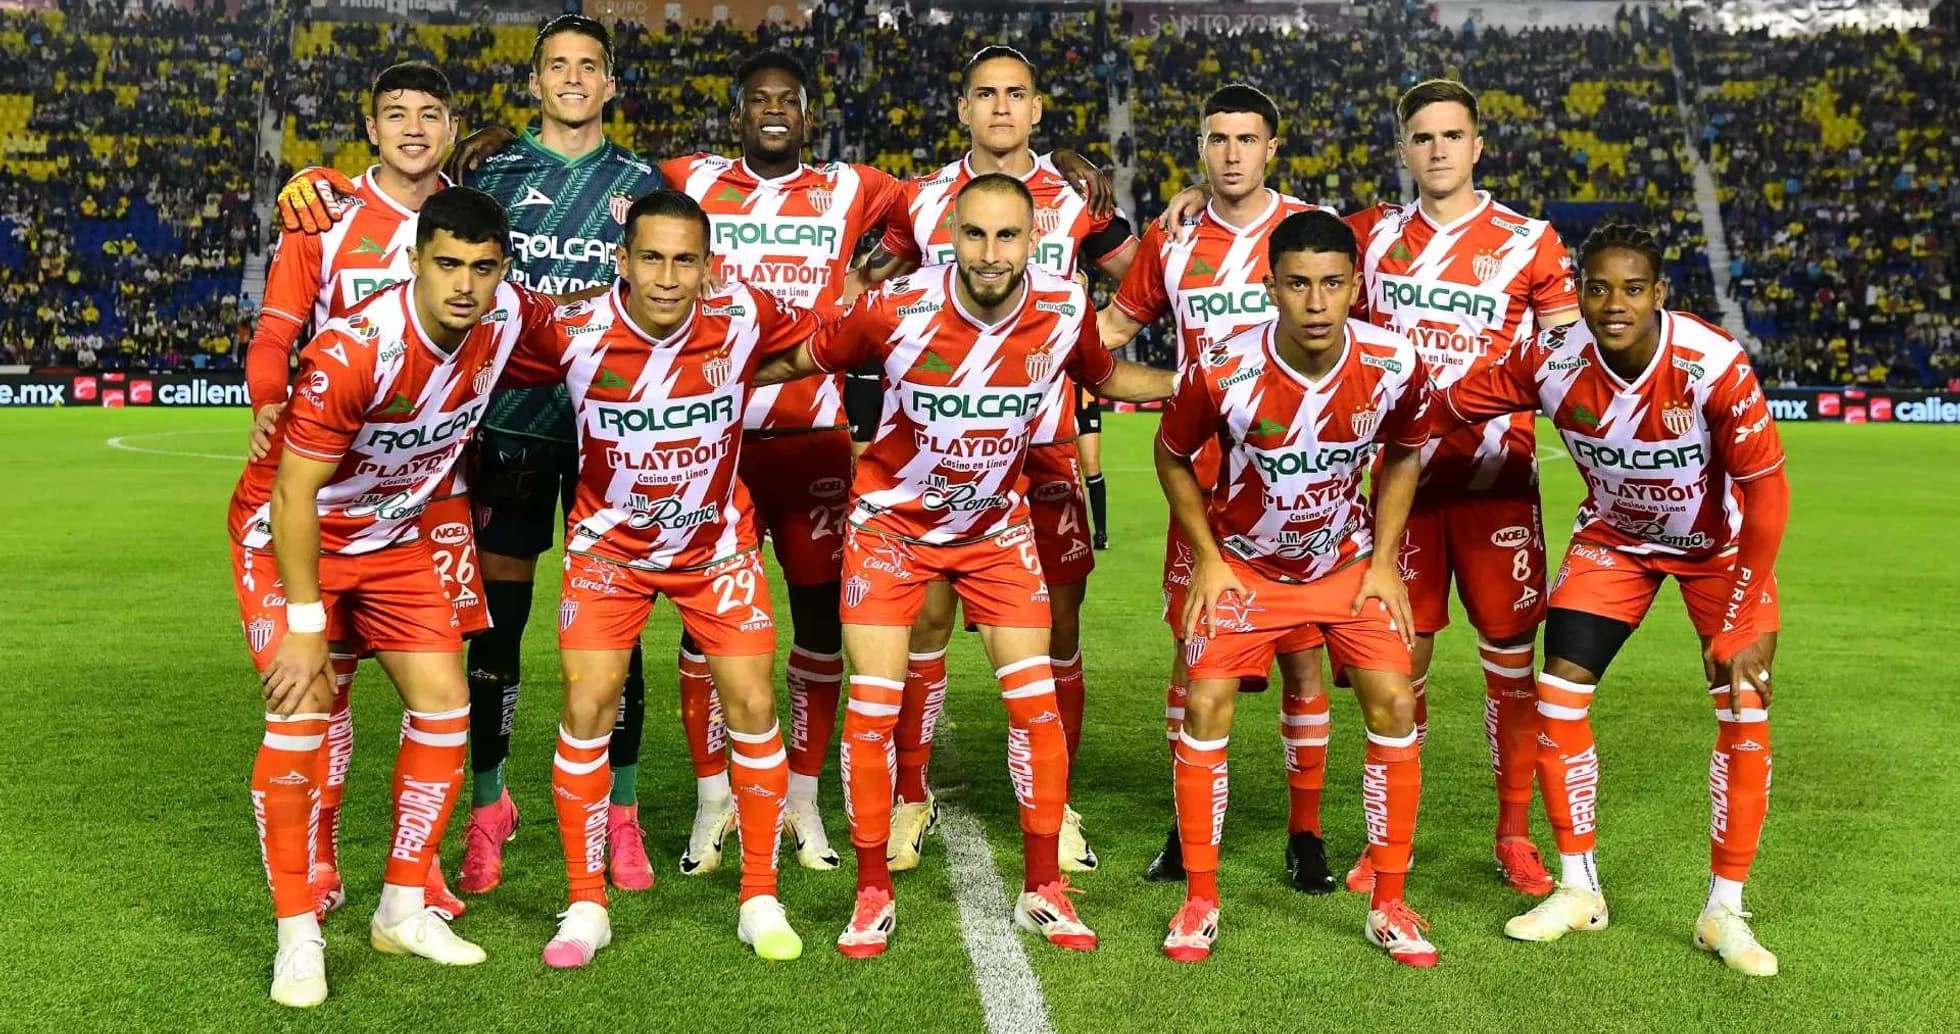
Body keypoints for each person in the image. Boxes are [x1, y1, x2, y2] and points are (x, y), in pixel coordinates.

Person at [273, 16, 671, 895]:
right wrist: (318, 183)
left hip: (618, 437)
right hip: (510, 433)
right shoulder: (489, 172)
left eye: (589, 67)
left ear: (611, 84)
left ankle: (622, 813)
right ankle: (490, 808)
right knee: (493, 631)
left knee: (619, 638)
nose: (572, 79)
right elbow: (403, 200)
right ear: (534, 83)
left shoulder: (645, 181)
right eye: (556, 66)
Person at [753, 173, 1173, 958]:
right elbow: (801, 358)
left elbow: (1110, 379)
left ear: (1032, 241)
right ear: (950, 232)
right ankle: (872, 890)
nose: (989, 253)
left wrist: (1197, 383)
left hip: (994, 531)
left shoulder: (1061, 308)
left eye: (1007, 236)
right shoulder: (896, 306)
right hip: (892, 531)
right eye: (974, 235)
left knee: (1035, 710)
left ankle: (1044, 887)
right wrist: (708, 373)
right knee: (872, 714)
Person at [229, 188, 561, 1007]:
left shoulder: (511, 317)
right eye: (447, 264)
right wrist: (306, 625)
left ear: (503, 272)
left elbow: (587, 338)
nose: (465, 285)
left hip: (396, 538)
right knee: (301, 715)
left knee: (446, 707)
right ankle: (297, 933)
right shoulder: (356, 349)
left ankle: (402, 907)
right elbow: (293, 496)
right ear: (413, 261)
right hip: (292, 542)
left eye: (484, 269)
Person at [1430, 221, 1788, 977]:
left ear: (1659, 293)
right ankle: (1578, 887)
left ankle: (1725, 908)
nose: (1613, 303)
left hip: (1717, 552)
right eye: (1597, 287)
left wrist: (1748, 608)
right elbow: (1449, 404)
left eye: (1632, 288)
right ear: (1580, 292)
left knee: (1744, 707)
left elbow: (1767, 491)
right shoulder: (1550, 357)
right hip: (1615, 543)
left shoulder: (1710, 363)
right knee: (1557, 698)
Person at [503, 190, 818, 967]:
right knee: (587, 704)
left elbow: (829, 338)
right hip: (608, 552)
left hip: (716, 549)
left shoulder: (742, 313)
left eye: (685, 260)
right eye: (652, 257)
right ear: (623, 260)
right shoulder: (572, 328)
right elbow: (474, 344)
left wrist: (756, 368)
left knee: (751, 700)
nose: (668, 276)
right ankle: (585, 902)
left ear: (708, 267)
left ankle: (759, 896)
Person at [858, 44, 1141, 876]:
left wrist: (1112, 339)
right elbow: (866, 294)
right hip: (933, 453)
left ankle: (1060, 804)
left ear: (1037, 108)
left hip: (1045, 447)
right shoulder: (920, 203)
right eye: (985, 94)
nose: (1001, 108)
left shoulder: (1073, 198)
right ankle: (911, 792)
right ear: (963, 109)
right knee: (928, 623)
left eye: (1016, 94)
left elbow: (1148, 272)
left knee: (1057, 627)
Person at [1154, 209, 1437, 967]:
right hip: (1246, 564)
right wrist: (1209, 559)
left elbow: (1407, 452)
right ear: (1271, 286)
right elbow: (1173, 453)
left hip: (1344, 564)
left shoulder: (1395, 362)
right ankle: (1200, 899)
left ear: (1356, 286)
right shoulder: (1221, 365)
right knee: (1206, 702)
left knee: (1396, 698)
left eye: (1334, 284)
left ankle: (1391, 903)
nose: (1317, 302)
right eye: (1299, 285)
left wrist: (1384, 559)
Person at [654, 50, 908, 874]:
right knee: (705, 631)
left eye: (787, 102)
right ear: (737, 114)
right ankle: (712, 802)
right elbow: (599, 188)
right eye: (757, 100)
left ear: (809, 116)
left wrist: (868, 276)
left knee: (817, 626)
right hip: (709, 442)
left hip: (812, 438)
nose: (772, 111)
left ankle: (802, 799)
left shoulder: (850, 185)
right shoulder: (688, 176)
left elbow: (930, 210)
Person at [1341, 79, 1580, 895]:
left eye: (1452, 136)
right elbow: (1277, 233)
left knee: (1512, 668)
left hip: (1496, 490)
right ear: (1403, 150)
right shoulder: (1369, 238)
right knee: (1396, 668)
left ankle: (1513, 833)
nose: (1438, 150)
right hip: (1401, 494)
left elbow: (1566, 361)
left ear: (1477, 146)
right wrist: (1199, 194)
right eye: (1422, 137)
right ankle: (1386, 844)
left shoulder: (1531, 242)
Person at [1098, 82, 1338, 890]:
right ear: (1200, 149)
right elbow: (1110, 334)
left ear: (1274, 148)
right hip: (1202, 487)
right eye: (1217, 140)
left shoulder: (1311, 233)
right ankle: (1184, 822)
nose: (1232, 153)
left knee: (1304, 662)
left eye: (1247, 139)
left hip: (1299, 482)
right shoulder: (1175, 243)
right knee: (1193, 656)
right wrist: (1168, 385)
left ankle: (1305, 833)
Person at [250, 60, 470, 921]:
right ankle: (322, 854)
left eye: (430, 114)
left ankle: (423, 867)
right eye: (395, 115)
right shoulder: (327, 212)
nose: (414, 128)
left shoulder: (470, 211)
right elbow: (278, 330)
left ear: (450, 129)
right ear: (371, 129)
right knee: (328, 679)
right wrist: (270, 401)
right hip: (335, 480)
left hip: (438, 489)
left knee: (447, 681)